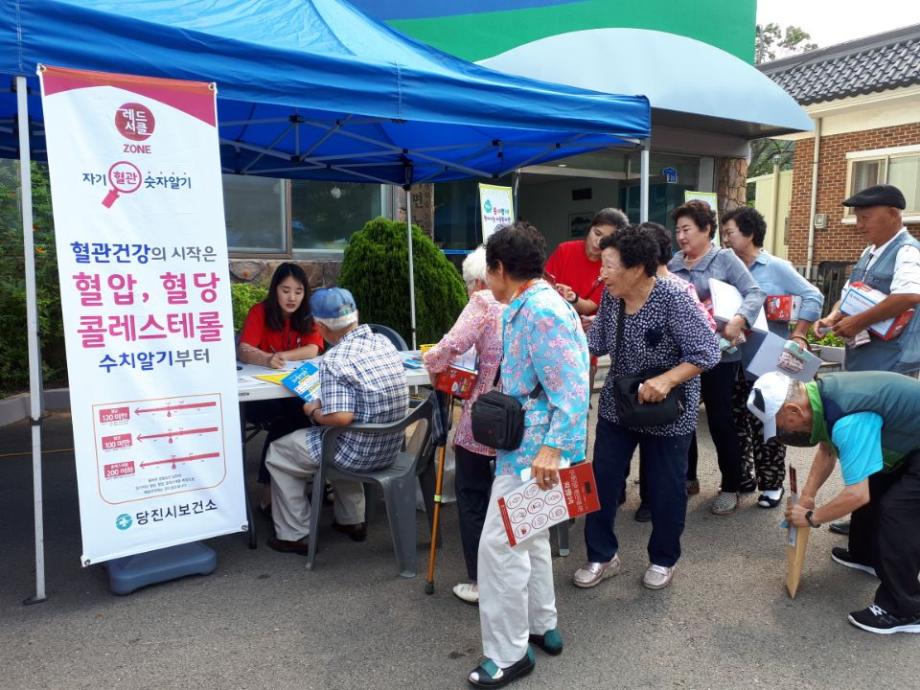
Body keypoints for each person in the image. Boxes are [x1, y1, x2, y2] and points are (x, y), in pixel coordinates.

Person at [468, 222, 589, 689]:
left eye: (488, 273)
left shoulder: (539, 310)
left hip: (536, 452)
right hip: (534, 447)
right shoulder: (534, 304)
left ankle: (507, 654)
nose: (485, 282)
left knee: (499, 549)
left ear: (500, 268)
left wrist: (553, 449)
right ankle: (542, 625)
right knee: (530, 536)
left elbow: (573, 386)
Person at [573, 226, 719, 591]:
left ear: (636, 268)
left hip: (668, 411)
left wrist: (668, 380)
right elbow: (598, 342)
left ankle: (663, 558)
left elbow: (707, 352)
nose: (601, 273)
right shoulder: (612, 298)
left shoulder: (674, 297)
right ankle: (602, 554)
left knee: (666, 488)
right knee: (602, 482)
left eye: (608, 265)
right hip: (619, 406)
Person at [747, 370, 920, 634]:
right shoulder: (820, 395)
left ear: (793, 410)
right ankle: (866, 555)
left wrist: (811, 518)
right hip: (911, 439)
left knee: (897, 512)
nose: (783, 433)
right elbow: (827, 449)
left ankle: (905, 609)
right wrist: (807, 497)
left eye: (781, 426)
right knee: (875, 480)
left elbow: (857, 495)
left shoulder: (848, 420)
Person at [263, 288, 408, 555]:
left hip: (355, 454)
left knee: (278, 452)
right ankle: (352, 519)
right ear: (357, 315)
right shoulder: (384, 343)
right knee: (344, 436)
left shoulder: (333, 360)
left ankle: (295, 533)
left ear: (320, 327)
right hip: (391, 448)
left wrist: (313, 411)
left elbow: (341, 417)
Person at [812, 184, 920, 535]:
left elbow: (909, 295)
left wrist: (856, 322)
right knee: (862, 445)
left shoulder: (907, 251)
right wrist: (831, 318)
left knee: (879, 448)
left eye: (866, 217)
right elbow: (848, 295)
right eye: (857, 217)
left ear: (893, 214)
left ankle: (870, 522)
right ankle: (862, 516)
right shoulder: (871, 251)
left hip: (889, 364)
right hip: (862, 358)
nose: (859, 224)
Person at [722, 206, 824, 509]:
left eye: (730, 232)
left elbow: (813, 295)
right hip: (730, 358)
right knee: (734, 421)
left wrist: (800, 332)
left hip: (766, 358)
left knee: (768, 421)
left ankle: (771, 483)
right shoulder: (725, 267)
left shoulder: (775, 267)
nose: (725, 239)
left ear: (750, 234)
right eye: (723, 233)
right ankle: (743, 477)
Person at [667, 200, 765, 514]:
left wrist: (739, 319)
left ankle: (731, 486)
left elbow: (754, 292)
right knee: (681, 417)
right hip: (683, 356)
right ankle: (687, 478)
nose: (681, 236)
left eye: (687, 229)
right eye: (678, 230)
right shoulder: (672, 265)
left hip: (722, 355)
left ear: (706, 229)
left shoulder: (724, 259)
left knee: (721, 420)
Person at [423, 247, 504, 605]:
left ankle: (480, 579)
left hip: (483, 415)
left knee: (473, 494)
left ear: (479, 280)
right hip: (522, 418)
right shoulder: (532, 299)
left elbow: (451, 345)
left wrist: (431, 361)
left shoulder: (483, 301)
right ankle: (514, 576)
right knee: (509, 494)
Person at [627, 222, 717, 522]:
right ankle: (648, 499)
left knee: (665, 452)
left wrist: (670, 377)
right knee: (646, 439)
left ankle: (657, 503)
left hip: (674, 393)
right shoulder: (627, 293)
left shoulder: (678, 291)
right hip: (640, 389)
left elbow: (706, 343)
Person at [237, 262, 325, 514]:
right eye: (286, 290)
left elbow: (313, 348)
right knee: (290, 416)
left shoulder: (308, 314)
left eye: (298, 291)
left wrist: (282, 355)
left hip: (295, 390)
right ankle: (271, 487)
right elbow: (244, 349)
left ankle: (281, 487)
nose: (292, 297)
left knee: (300, 412)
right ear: (275, 289)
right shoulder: (260, 312)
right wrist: (265, 359)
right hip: (259, 397)